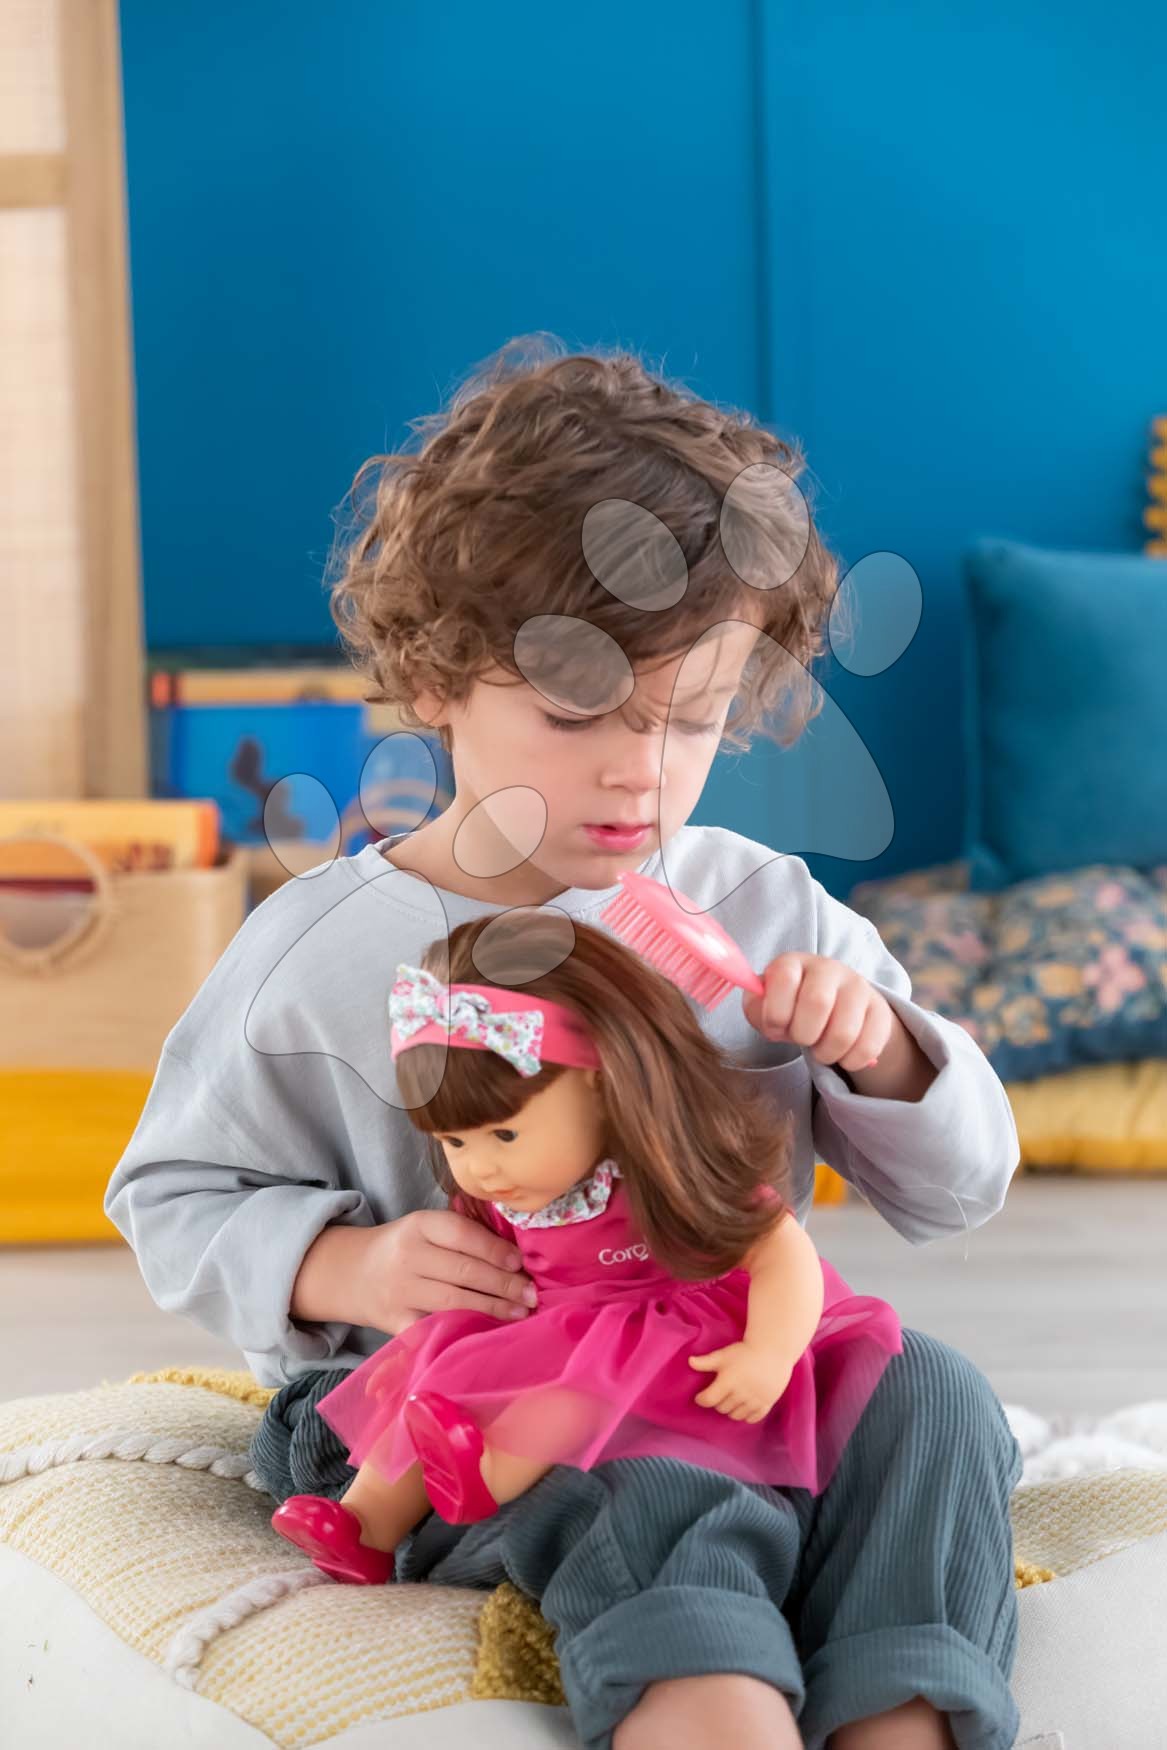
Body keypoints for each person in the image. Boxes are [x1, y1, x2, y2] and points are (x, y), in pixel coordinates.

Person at [106, 336, 1024, 1750]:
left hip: (725, 1357)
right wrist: (350, 1264)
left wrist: (883, 1053)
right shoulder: (314, 955)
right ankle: (704, 1701)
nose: (636, 772)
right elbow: (169, 1195)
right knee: (645, 1471)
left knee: (934, 1394)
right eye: (576, 711)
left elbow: (958, 1186)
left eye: (690, 721)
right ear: (438, 678)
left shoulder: (763, 909)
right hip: (469, 1404)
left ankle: (900, 1708)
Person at [269, 918, 903, 1583]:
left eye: (503, 1136)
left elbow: (780, 1254)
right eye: (455, 1143)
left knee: (572, 1396)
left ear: (601, 1084)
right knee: (426, 1387)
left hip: (657, 1340)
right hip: (545, 1327)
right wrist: (428, 1352)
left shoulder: (658, 1177)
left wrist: (768, 1352)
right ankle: (363, 1525)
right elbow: (488, 1275)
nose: (479, 1168)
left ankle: (484, 1476)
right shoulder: (505, 1195)